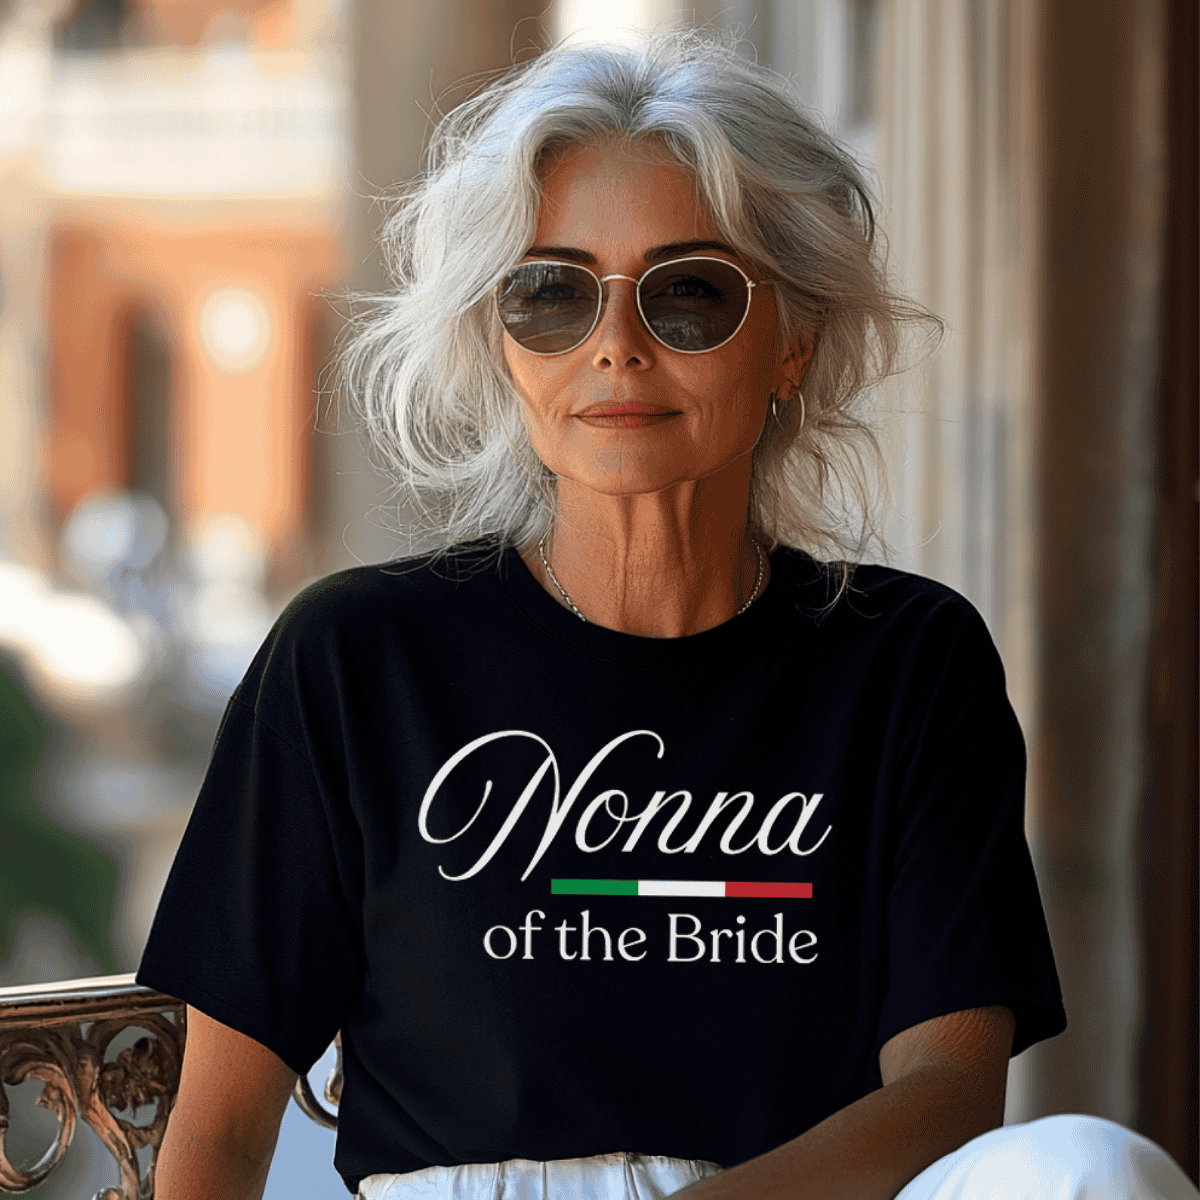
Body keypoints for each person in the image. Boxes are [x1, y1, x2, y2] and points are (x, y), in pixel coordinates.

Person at [136, 29, 1198, 1200]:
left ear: (793, 340)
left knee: (1095, 1169)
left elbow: (948, 1091)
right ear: (504, 341)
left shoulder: (906, 665)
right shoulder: (355, 663)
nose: (617, 346)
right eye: (553, 294)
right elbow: (223, 1136)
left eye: (689, 293)